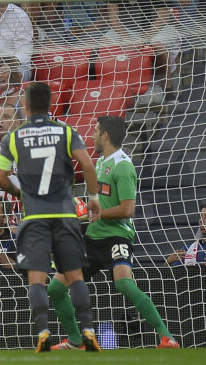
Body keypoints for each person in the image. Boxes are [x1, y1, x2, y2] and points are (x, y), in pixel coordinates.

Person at [47, 116, 179, 350]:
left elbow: (128, 209)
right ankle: (76, 340)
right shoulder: (99, 162)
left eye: (97, 131)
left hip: (118, 235)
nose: (94, 135)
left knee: (124, 283)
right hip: (93, 237)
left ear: (106, 135)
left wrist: (93, 214)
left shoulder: (123, 165)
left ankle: (165, 336)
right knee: (55, 288)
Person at [0, 82, 102, 352]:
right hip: (64, 213)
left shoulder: (13, 138)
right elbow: (87, 164)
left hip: (35, 217)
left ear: (25, 106)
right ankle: (88, 331)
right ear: (50, 105)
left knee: (37, 278)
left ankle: (43, 331)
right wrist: (94, 198)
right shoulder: (65, 132)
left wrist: (19, 194)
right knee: (74, 275)